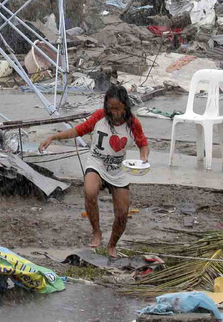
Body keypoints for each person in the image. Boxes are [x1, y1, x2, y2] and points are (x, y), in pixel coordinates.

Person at [39, 85, 149, 257]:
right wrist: (53, 137)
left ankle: (112, 245)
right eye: (111, 108)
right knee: (89, 191)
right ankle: (96, 232)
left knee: (122, 213)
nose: (114, 112)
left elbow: (143, 144)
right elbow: (78, 130)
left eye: (118, 108)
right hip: (96, 163)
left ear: (125, 106)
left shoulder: (133, 123)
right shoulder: (99, 116)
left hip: (117, 169)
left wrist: (143, 159)